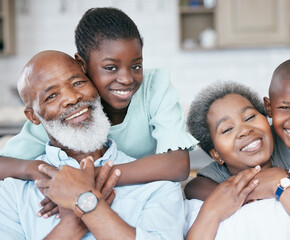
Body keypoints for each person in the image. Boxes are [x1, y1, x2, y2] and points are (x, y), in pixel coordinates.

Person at [0, 7, 197, 216]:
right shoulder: (69, 113)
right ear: (82, 64)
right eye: (111, 68)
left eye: (136, 66)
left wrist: (82, 180)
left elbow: (177, 165)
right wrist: (37, 170)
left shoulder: (154, 86)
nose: (126, 79)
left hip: (148, 197)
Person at [0, 50, 185, 239]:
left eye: (78, 83)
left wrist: (85, 201)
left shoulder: (158, 185)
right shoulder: (11, 192)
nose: (72, 98)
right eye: (52, 96)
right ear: (33, 116)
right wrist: (73, 223)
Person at [184, 81, 290, 240]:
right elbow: (193, 187)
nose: (245, 130)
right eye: (227, 129)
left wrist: (282, 185)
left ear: (267, 123)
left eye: (250, 117)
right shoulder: (202, 206)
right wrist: (214, 210)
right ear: (216, 155)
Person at [185, 58, 290, 206]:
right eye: (284, 107)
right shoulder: (259, 145)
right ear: (269, 108)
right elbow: (195, 186)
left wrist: (286, 179)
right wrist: (246, 196)